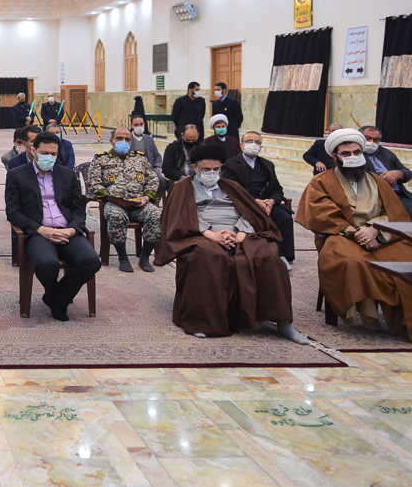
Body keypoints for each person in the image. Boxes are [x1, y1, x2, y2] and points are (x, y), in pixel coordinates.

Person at [153, 145, 306, 343]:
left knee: (267, 256)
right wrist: (211, 234)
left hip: (237, 232)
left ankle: (283, 321)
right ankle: (202, 321)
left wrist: (240, 233)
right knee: (208, 257)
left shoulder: (231, 186)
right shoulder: (182, 188)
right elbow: (179, 216)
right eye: (206, 170)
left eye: (216, 169)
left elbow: (249, 212)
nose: (212, 174)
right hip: (200, 234)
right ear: (196, 168)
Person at [296, 129, 412, 339]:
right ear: (335, 156)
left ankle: (403, 318)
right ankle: (368, 315)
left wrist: (375, 229)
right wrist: (358, 234)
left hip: (380, 235)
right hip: (341, 235)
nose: (353, 157)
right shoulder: (321, 182)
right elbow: (322, 214)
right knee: (353, 261)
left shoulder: (378, 181)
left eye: (357, 152)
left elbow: (393, 212)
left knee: (406, 259)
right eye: (346, 153)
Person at [5, 131, 100, 321]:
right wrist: (41, 230)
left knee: (91, 261)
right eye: (45, 153)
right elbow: (13, 212)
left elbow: (78, 209)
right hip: (38, 233)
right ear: (33, 151)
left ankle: (55, 298)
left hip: (67, 231)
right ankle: (57, 299)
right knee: (47, 264)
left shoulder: (67, 174)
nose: (49, 157)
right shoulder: (17, 175)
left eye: (53, 154)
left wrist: (72, 229)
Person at [88, 128, 161, 273]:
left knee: (156, 215)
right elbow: (94, 184)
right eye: (119, 138)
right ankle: (123, 258)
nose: (123, 141)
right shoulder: (100, 159)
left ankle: (144, 257)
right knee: (116, 216)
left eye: (127, 139)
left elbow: (153, 180)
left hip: (139, 204)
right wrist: (112, 198)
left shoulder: (140, 159)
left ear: (131, 142)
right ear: (111, 141)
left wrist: (146, 198)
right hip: (115, 203)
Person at [220, 131, 295, 269]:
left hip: (266, 203)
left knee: (284, 218)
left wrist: (271, 201)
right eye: (249, 141)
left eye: (257, 142)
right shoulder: (230, 165)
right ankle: (272, 254)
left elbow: (277, 188)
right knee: (260, 219)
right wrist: (255, 201)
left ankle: (284, 255)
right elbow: (233, 190)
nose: (253, 145)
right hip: (244, 204)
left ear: (261, 146)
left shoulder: (267, 164)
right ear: (242, 145)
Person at [360, 125, 412, 219]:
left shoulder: (386, 153)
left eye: (376, 140)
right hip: (374, 197)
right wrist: (385, 177)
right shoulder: (354, 154)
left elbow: (407, 171)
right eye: (368, 138)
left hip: (398, 195)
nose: (372, 142)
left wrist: (398, 174)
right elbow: (359, 174)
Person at [130, 115, 166, 195]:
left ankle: (155, 199)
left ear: (144, 124)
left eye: (141, 124)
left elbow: (157, 155)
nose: (139, 127)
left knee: (162, 180)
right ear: (131, 126)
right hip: (132, 168)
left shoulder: (149, 139)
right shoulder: (127, 138)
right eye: (136, 125)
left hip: (149, 168)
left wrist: (158, 166)